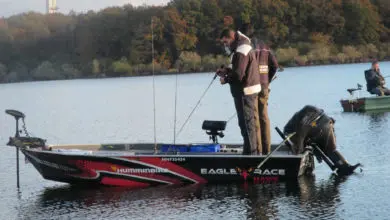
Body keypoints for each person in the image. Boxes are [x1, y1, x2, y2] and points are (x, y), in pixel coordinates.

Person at [217, 28, 261, 155]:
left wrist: (225, 80)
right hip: (245, 91)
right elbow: (238, 69)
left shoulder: (241, 49)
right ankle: (249, 152)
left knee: (247, 124)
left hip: (245, 92)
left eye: (225, 42)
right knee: (246, 124)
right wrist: (226, 71)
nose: (225, 45)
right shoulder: (240, 47)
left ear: (231, 38)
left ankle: (251, 155)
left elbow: (239, 75)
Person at [283, 105, 361, 176]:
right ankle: (345, 166)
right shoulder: (299, 120)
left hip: (316, 124)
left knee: (321, 146)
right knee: (331, 149)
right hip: (324, 123)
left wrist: (299, 151)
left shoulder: (294, 128)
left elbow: (300, 135)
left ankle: (344, 167)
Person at [253, 41, 279, 155]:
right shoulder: (266, 48)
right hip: (264, 86)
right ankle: (267, 150)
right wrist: (267, 80)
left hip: (252, 86)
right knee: (264, 117)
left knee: (255, 119)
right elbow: (275, 66)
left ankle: (258, 151)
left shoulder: (249, 46)